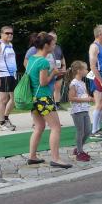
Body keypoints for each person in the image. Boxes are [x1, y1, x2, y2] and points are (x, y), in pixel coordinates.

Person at [26, 33, 71, 168]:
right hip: (44, 98)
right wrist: (54, 73)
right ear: (46, 45)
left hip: (34, 98)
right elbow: (43, 82)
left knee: (39, 127)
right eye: (53, 44)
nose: (54, 46)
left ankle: (32, 156)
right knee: (56, 127)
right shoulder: (43, 61)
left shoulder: (32, 59)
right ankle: (56, 159)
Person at [0, 26, 18, 131]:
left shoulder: (10, 44)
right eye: (7, 33)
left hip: (12, 74)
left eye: (11, 33)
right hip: (3, 74)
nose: (10, 35)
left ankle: (5, 118)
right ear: (1, 34)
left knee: (14, 98)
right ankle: (1, 123)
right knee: (3, 99)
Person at [67, 61, 93, 161]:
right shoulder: (74, 83)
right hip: (77, 111)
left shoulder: (82, 83)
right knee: (80, 131)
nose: (87, 71)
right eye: (85, 69)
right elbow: (71, 98)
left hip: (85, 109)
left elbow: (84, 95)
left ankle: (78, 148)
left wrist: (90, 98)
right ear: (79, 71)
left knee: (88, 131)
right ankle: (79, 152)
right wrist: (85, 99)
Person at [88, 25, 102, 137]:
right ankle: (93, 131)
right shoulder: (94, 47)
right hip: (98, 77)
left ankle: (98, 127)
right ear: (100, 35)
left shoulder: (101, 47)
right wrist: (101, 81)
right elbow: (93, 66)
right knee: (99, 103)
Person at [49, 31, 66, 109]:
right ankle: (49, 104)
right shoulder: (46, 47)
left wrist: (64, 66)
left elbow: (62, 57)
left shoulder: (58, 47)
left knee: (58, 88)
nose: (54, 39)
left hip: (59, 70)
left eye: (55, 38)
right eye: (52, 37)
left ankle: (57, 104)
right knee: (50, 88)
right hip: (50, 71)